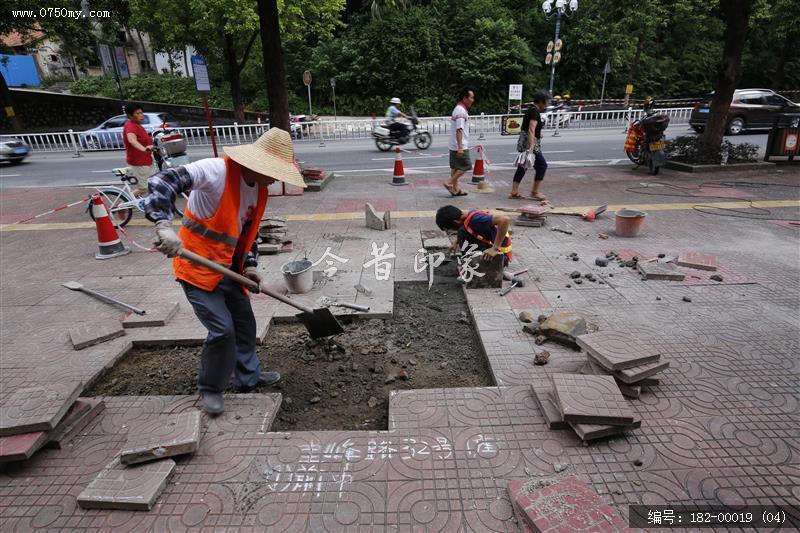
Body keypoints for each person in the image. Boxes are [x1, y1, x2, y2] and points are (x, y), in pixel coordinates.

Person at [145, 128, 305, 415]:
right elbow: (162, 180)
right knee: (222, 330)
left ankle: (249, 377)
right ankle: (211, 388)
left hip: (229, 269)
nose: (276, 178)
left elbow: (247, 233)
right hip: (197, 267)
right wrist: (163, 226)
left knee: (244, 324)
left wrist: (250, 266)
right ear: (257, 164)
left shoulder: (259, 189)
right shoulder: (215, 171)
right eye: (275, 171)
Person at [435, 205, 512, 266]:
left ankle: (474, 266)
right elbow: (470, 230)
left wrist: (495, 248)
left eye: (450, 229)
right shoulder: (468, 217)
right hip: (492, 247)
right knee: (462, 232)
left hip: (500, 256)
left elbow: (504, 220)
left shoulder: (475, 220)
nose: (452, 231)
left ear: (455, 222)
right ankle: (470, 262)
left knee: (462, 232)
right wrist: (456, 242)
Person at [509, 92, 548, 201]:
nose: (546, 105)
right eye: (546, 102)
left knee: (523, 166)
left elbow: (530, 129)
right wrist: (531, 148)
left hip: (525, 142)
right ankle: (535, 192)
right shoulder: (535, 111)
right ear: (541, 101)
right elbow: (531, 130)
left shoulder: (531, 110)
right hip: (530, 144)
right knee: (542, 166)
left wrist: (539, 134)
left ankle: (514, 191)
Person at [445, 87, 475, 197]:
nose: (472, 100)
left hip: (453, 143)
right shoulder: (461, 111)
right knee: (466, 166)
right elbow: (459, 130)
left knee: (455, 168)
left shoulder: (458, 108)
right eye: (471, 97)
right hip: (460, 144)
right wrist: (460, 147)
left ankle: (456, 189)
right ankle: (448, 182)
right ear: (465, 98)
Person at [123, 104, 157, 196]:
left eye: (142, 113)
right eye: (138, 113)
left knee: (154, 184)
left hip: (147, 160)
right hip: (139, 163)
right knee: (144, 188)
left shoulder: (138, 125)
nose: (141, 115)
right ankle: (125, 202)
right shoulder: (130, 126)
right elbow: (131, 140)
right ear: (130, 115)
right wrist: (144, 149)